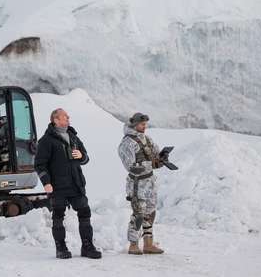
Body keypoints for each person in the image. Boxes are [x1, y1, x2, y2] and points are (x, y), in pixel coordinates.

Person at [35, 108, 102, 259]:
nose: (68, 118)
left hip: (76, 184)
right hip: (57, 186)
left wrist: (81, 156)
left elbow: (85, 158)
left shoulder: (73, 136)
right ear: (56, 120)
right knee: (58, 216)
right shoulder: (46, 141)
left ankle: (87, 246)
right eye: (65, 116)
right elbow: (39, 165)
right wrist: (46, 182)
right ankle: (61, 248)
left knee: (85, 212)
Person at [118, 112, 164, 255]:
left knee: (150, 212)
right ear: (135, 124)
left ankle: (148, 244)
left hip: (150, 181)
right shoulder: (127, 142)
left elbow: (155, 153)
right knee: (138, 213)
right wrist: (152, 163)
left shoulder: (147, 139)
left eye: (146, 124)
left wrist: (161, 158)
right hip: (137, 183)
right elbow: (131, 166)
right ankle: (133, 244)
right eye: (142, 124)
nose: (145, 127)